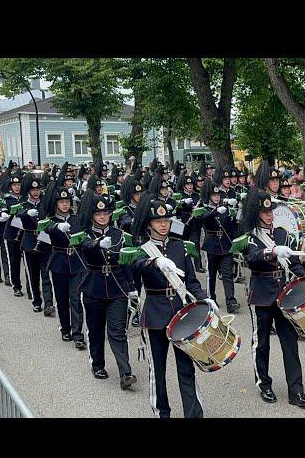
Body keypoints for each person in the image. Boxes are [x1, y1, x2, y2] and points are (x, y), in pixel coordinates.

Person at [129, 195, 212, 418]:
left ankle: (193, 414)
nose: (163, 225)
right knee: (158, 371)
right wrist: (155, 261)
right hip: (155, 314)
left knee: (186, 368)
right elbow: (137, 266)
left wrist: (204, 298)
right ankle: (161, 413)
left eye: (166, 220)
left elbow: (191, 282)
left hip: (181, 314)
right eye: (158, 221)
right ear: (149, 224)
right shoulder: (142, 249)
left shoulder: (180, 247)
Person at [237, 189, 305, 407]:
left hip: (283, 293)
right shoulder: (249, 237)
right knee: (261, 343)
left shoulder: (283, 234)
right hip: (261, 294)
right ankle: (264, 384)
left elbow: (295, 263)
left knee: (290, 343)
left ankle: (296, 391)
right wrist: (270, 252)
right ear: (256, 213)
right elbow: (252, 259)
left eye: (271, 210)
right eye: (264, 211)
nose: (269, 215)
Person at [76, 192, 137, 388]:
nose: (102, 217)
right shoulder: (86, 234)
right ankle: (98, 364)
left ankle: (125, 373)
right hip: (93, 286)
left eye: (106, 213)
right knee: (95, 331)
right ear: (92, 215)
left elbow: (126, 262)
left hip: (117, 287)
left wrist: (132, 288)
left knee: (118, 331)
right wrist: (97, 244)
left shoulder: (119, 235)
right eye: (98, 213)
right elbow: (83, 247)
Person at [41, 174, 87, 348]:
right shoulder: (52, 221)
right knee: (61, 298)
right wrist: (57, 226)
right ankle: (65, 329)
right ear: (56, 204)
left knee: (76, 298)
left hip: (76, 262)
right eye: (61, 202)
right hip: (59, 261)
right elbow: (46, 228)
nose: (65, 204)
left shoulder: (76, 219)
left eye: (67, 201)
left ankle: (78, 334)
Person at [200, 178, 240, 313]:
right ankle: (211, 297)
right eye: (214, 195)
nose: (216, 197)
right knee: (210, 274)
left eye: (218, 195)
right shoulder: (205, 209)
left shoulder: (225, 209)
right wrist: (216, 211)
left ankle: (231, 301)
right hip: (211, 245)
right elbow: (205, 218)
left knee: (228, 274)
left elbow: (232, 227)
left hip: (225, 245)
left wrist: (235, 241)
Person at [17, 174, 55, 315]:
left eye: (38, 189)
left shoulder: (43, 203)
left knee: (46, 275)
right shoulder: (24, 203)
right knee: (33, 276)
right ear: (28, 191)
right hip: (29, 242)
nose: (35, 192)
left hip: (44, 242)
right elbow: (18, 213)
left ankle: (49, 304)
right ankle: (37, 302)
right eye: (33, 190)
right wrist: (27, 212)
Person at [0, 172, 25, 296]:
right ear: (10, 186)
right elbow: (3, 208)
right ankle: (16, 286)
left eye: (19, 184)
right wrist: (4, 213)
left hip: (25, 234)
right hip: (12, 234)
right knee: (14, 262)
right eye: (14, 185)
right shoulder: (7, 199)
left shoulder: (25, 198)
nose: (17, 187)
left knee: (28, 263)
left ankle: (32, 288)